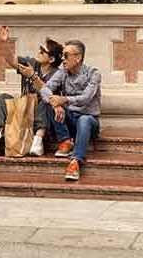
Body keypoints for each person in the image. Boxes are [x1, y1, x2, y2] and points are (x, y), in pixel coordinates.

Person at [34, 39, 101, 181]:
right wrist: (56, 104)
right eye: (63, 55)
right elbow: (45, 89)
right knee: (49, 102)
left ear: (78, 57)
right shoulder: (62, 72)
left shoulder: (93, 73)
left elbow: (86, 98)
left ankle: (75, 161)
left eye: (66, 55)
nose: (63, 59)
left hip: (89, 121)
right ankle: (65, 140)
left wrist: (65, 100)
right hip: (70, 119)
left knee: (84, 119)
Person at [0, 25, 62, 157]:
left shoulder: (58, 74)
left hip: (41, 115)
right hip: (24, 110)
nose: (38, 51)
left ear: (51, 59)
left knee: (44, 101)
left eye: (42, 51)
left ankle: (38, 140)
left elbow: (47, 93)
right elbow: (11, 60)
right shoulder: (32, 63)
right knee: (3, 98)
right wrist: (5, 42)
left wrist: (33, 76)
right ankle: (1, 136)